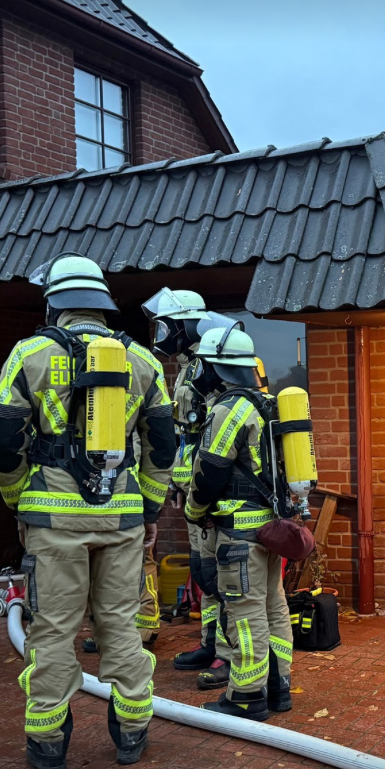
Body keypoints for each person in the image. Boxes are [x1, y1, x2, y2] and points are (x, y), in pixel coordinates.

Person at [0, 253, 174, 769]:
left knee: (52, 632)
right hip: (122, 519)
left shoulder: (30, 354)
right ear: (104, 305)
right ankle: (132, 733)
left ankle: (49, 748)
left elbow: (1, 440)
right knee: (122, 627)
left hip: (52, 523)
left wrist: (21, 499)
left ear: (54, 304)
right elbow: (163, 445)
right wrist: (150, 507)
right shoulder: (144, 362)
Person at [184, 325, 293, 721]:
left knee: (245, 614)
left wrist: (193, 512)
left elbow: (211, 470)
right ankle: (279, 687)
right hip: (271, 529)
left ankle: (247, 695)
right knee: (273, 607)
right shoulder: (269, 404)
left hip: (239, 533)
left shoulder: (230, 409)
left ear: (219, 368)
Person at [141, 290, 232, 691]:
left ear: (187, 325)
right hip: (192, 490)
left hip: (214, 494)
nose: (162, 333)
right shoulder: (189, 365)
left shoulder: (215, 365)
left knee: (225, 580)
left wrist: (201, 489)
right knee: (205, 575)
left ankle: (231, 658)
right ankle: (209, 643)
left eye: (167, 324)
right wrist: (180, 484)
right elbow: (186, 436)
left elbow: (216, 437)